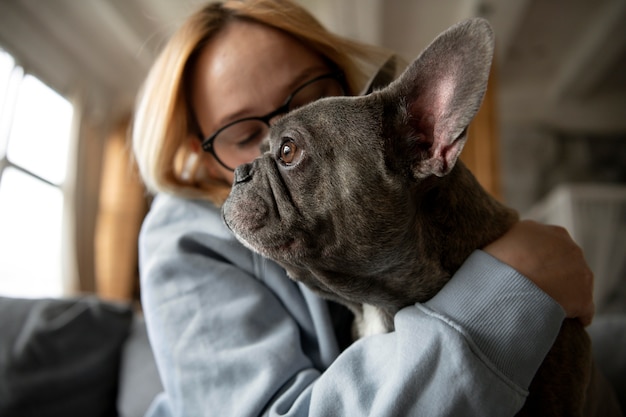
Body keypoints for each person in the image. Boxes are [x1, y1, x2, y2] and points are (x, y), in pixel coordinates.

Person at [131, 1, 595, 416]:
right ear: (203, 154)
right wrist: (510, 286)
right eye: (246, 136)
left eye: (309, 103)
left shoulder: (387, 167)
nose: (265, 161)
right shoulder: (181, 243)